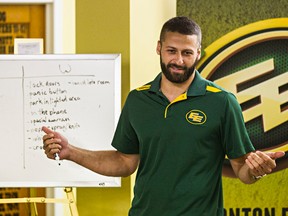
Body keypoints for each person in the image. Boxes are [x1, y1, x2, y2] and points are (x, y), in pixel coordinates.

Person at [42, 16, 285, 216]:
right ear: (159, 48)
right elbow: (125, 162)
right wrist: (70, 152)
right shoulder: (138, 99)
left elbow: (241, 170)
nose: (178, 61)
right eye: (171, 51)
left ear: (198, 52)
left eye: (187, 53)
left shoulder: (222, 102)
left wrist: (256, 169)